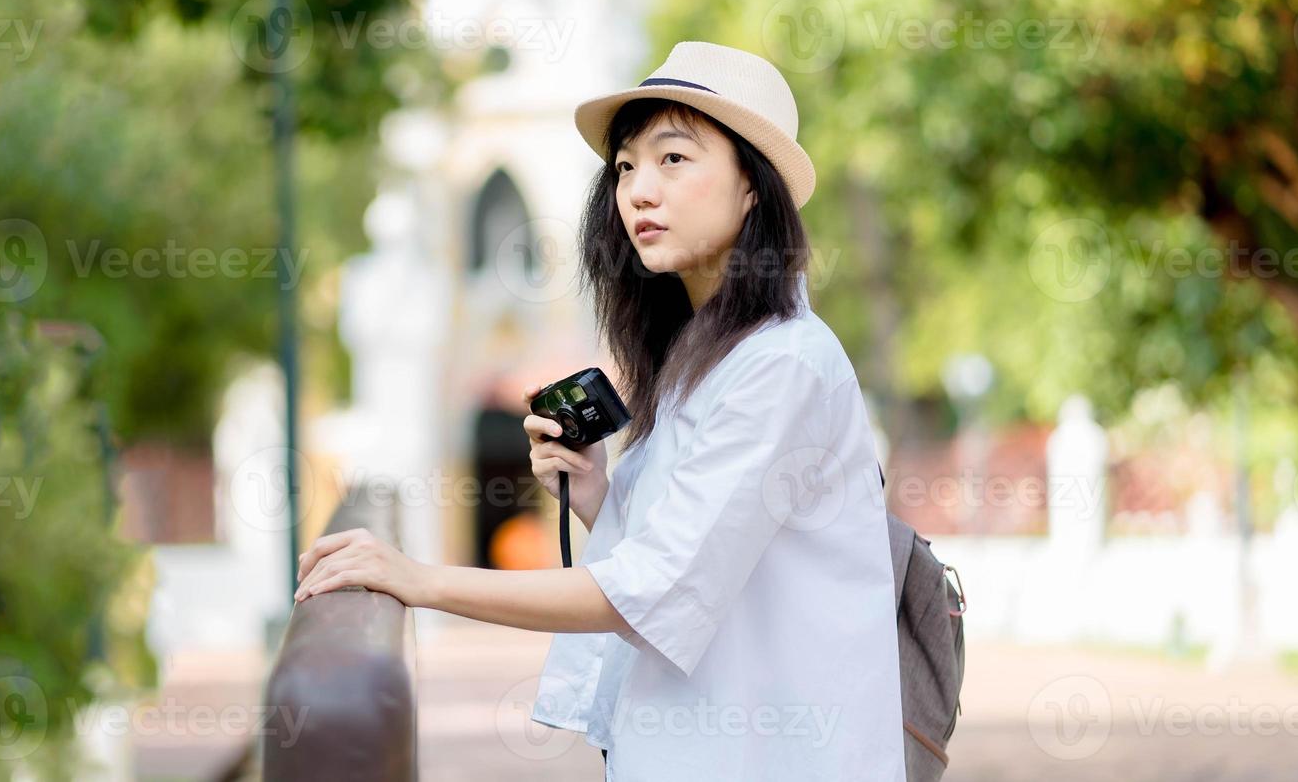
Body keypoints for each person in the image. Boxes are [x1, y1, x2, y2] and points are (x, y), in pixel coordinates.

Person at [293, 41, 906, 780]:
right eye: (624, 168)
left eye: (673, 159)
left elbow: (656, 588)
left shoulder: (782, 366)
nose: (638, 190)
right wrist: (596, 497)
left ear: (754, 186)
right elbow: (698, 557)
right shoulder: (700, 360)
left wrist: (419, 579)